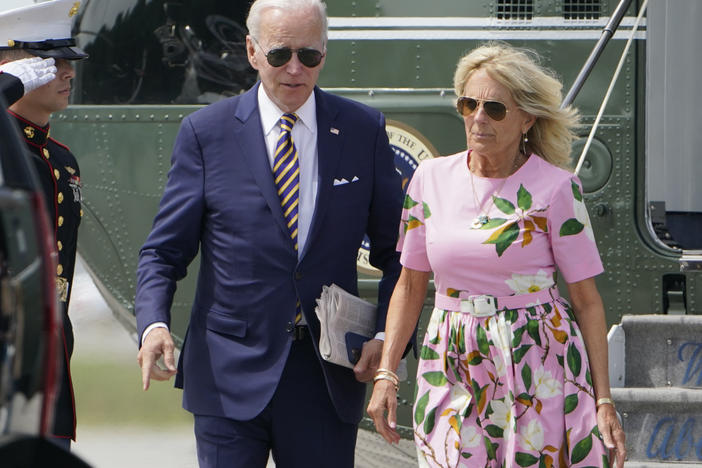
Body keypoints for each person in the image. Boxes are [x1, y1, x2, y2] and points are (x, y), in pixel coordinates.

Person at [135, 0, 402, 466]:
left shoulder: (362, 130)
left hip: (324, 377)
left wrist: (385, 335)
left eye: (310, 56)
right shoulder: (205, 133)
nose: (295, 69)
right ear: (252, 51)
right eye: (280, 55)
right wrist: (153, 325)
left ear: (325, 53)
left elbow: (398, 254)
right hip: (227, 375)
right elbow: (163, 252)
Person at [367, 42, 627, 467]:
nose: (478, 117)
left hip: (537, 357)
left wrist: (603, 401)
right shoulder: (429, 180)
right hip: (451, 356)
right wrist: (387, 375)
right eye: (469, 104)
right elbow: (410, 285)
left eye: (495, 109)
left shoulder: (558, 187)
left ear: (526, 118)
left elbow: (586, 300)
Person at [0, 0, 88, 449]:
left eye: (69, 61)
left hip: (49, 355)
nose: (66, 73)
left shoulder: (61, 159)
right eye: (50, 62)